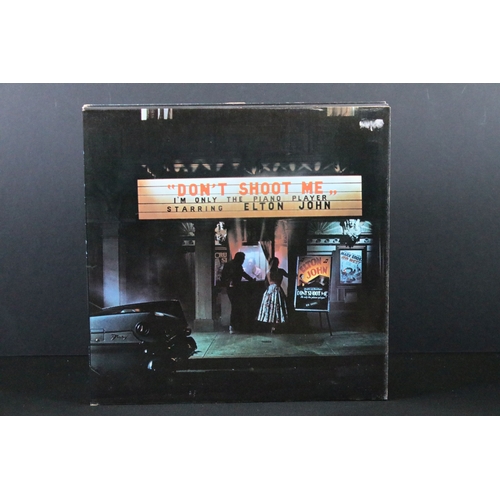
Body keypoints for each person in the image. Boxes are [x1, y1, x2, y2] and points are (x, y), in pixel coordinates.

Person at [221, 252, 255, 333]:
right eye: (243, 259)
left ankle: (234, 326)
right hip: (235, 288)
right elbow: (242, 274)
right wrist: (251, 279)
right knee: (236, 306)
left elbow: (223, 276)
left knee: (235, 306)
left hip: (231, 288)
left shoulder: (229, 264)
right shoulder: (237, 265)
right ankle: (234, 325)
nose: (243, 261)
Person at [257, 257, 289, 333]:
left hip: (270, 290)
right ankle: (275, 326)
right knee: (277, 307)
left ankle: (272, 326)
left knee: (271, 308)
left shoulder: (269, 272)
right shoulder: (280, 271)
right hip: (276, 289)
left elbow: (266, 283)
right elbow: (289, 276)